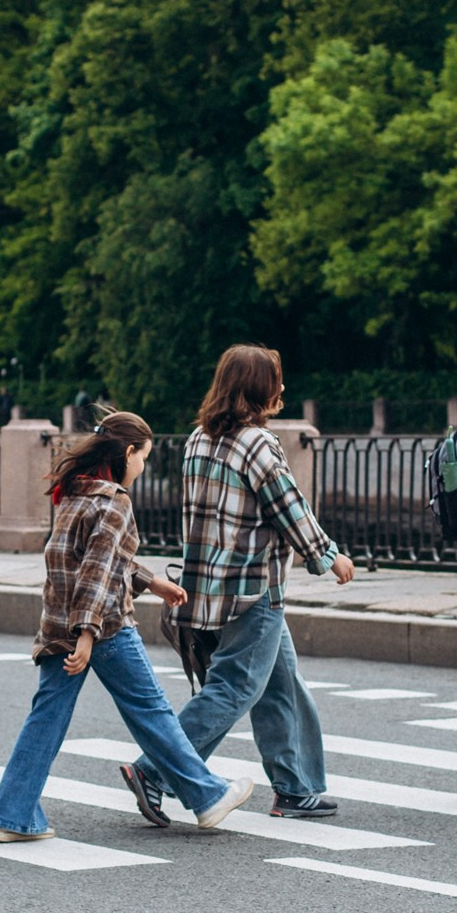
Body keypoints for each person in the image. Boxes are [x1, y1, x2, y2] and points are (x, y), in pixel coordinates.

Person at [0, 411, 254, 842]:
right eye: (143, 458)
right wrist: (88, 634)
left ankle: (12, 815)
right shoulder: (114, 502)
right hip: (106, 628)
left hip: (58, 625)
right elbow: (95, 571)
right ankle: (207, 796)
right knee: (152, 713)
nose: (143, 468)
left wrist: (153, 582)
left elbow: (91, 559)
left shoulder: (74, 493)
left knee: (46, 719)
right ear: (128, 453)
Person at [121, 345, 353, 825]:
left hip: (209, 587)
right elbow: (290, 511)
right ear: (257, 388)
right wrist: (330, 557)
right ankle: (154, 771)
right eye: (277, 381)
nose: (283, 389)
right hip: (254, 591)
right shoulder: (259, 445)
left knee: (283, 686)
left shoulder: (197, 441)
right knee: (232, 688)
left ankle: (295, 788)